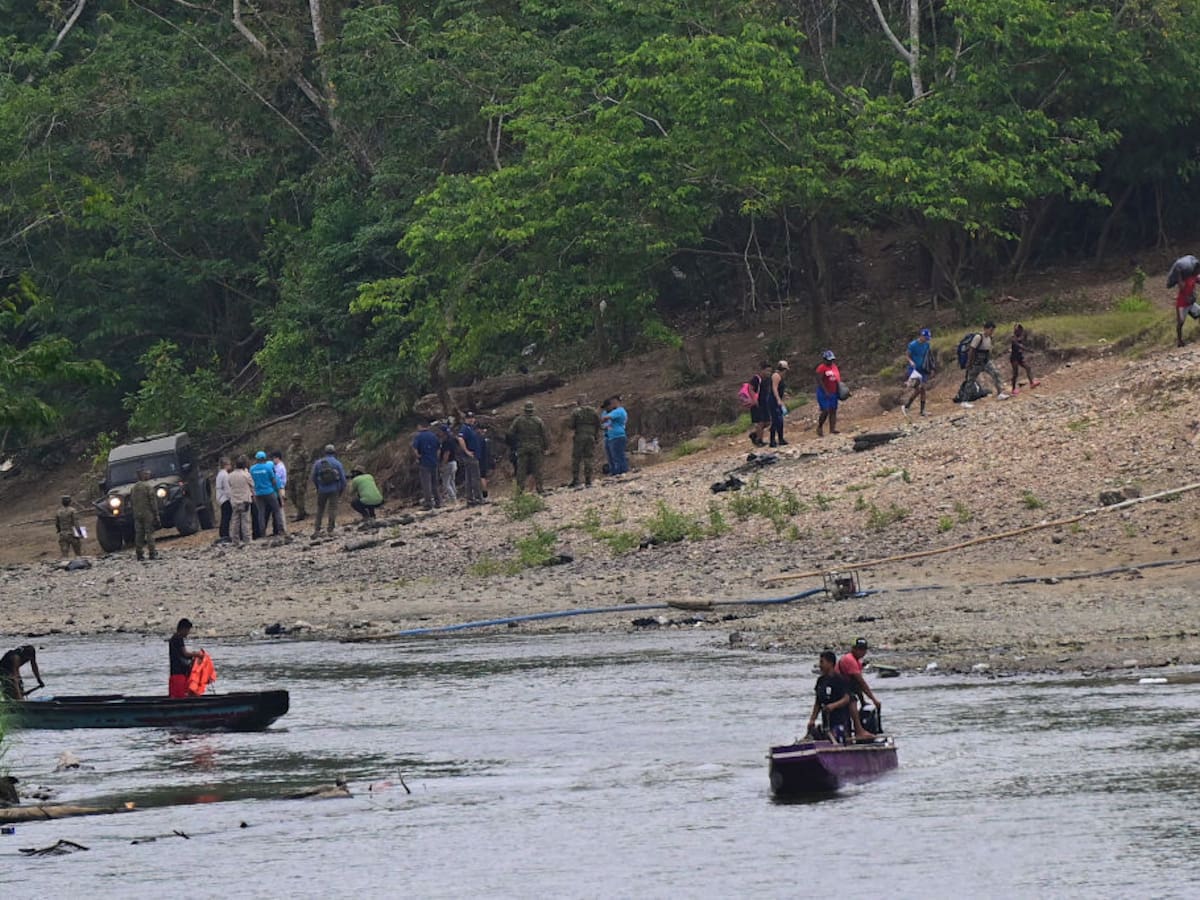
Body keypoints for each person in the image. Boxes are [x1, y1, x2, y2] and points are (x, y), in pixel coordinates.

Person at [836, 638, 881, 740]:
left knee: (853, 698)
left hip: (845, 688)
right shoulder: (849, 659)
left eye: (864, 649)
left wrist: (863, 701)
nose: (861, 652)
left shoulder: (857, 663)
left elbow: (857, 686)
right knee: (852, 699)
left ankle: (852, 732)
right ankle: (859, 730)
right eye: (859, 649)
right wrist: (874, 699)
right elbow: (862, 683)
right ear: (853, 649)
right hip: (836, 687)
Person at [806, 650, 852, 743]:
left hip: (840, 720)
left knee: (838, 737)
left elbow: (846, 699)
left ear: (830, 663)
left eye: (822, 662)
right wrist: (812, 719)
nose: (820, 665)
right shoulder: (820, 681)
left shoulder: (840, 679)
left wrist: (833, 706)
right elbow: (818, 702)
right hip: (826, 721)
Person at [508, 401, 549, 494]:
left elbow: (510, 433)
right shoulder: (538, 420)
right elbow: (544, 435)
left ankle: (519, 491)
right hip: (536, 447)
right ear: (532, 410)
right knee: (537, 469)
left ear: (524, 410)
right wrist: (546, 447)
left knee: (521, 470)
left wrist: (516, 442)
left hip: (522, 447)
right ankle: (540, 489)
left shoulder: (518, 420)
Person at [251, 451, 291, 542]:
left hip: (258, 493)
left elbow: (252, 480)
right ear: (264, 458)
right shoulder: (268, 468)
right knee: (276, 510)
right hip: (269, 491)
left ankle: (262, 532)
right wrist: (278, 492)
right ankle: (280, 529)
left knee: (261, 513)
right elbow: (274, 481)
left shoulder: (252, 469)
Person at [965, 322, 1008, 401]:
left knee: (996, 373)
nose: (992, 332)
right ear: (985, 329)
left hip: (986, 362)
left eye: (993, 330)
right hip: (976, 363)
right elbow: (971, 350)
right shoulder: (978, 337)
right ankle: (965, 400)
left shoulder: (989, 338)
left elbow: (987, 350)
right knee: (971, 380)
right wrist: (969, 363)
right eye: (991, 330)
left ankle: (1000, 393)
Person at [311, 444, 347, 534]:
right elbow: (343, 479)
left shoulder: (318, 463)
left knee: (320, 509)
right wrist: (341, 490)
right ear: (334, 452)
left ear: (325, 452)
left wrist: (318, 486)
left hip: (322, 489)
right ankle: (330, 528)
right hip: (334, 489)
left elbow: (313, 477)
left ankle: (317, 528)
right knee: (332, 508)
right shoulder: (337, 463)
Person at [901, 328, 935, 419]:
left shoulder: (927, 345)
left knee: (922, 390)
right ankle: (909, 407)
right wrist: (911, 361)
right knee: (920, 388)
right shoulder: (912, 345)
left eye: (928, 338)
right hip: (914, 370)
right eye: (926, 337)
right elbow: (907, 355)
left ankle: (915, 408)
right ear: (921, 336)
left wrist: (931, 368)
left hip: (923, 369)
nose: (927, 339)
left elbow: (928, 356)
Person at [568, 395, 602, 487]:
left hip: (580, 436)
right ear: (587, 401)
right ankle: (588, 480)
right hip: (591, 436)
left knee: (576, 458)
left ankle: (576, 480)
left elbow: (571, 425)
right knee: (588, 458)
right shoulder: (593, 411)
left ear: (578, 402)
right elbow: (598, 424)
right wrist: (596, 436)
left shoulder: (576, 412)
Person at [128, 467, 160, 561]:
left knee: (139, 534)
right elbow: (153, 502)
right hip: (147, 513)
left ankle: (139, 554)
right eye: (146, 474)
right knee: (149, 533)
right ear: (143, 476)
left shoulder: (133, 488)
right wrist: (156, 514)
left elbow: (132, 501)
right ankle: (152, 553)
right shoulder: (148, 487)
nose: (148, 475)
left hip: (137, 514)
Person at [168, 618, 203, 699]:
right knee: (181, 698)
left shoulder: (173, 638)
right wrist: (197, 654)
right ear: (183, 629)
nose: (188, 633)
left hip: (174, 674)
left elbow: (181, 655)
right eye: (188, 630)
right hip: (179, 675)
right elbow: (185, 653)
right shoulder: (178, 638)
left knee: (175, 697)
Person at [412, 422, 441, 510]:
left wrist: (418, 456)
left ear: (419, 426)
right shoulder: (433, 436)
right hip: (434, 462)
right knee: (435, 484)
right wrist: (436, 458)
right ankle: (438, 502)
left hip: (424, 462)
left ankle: (428, 503)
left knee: (426, 484)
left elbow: (415, 449)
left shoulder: (419, 436)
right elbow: (438, 449)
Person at [458, 413, 486, 505]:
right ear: (465, 419)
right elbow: (460, 438)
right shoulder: (465, 428)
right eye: (469, 418)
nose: (471, 420)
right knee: (475, 478)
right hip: (470, 456)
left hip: (474, 455)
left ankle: (470, 499)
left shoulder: (472, 428)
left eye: (472, 418)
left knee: (469, 478)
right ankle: (478, 498)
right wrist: (466, 451)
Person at [228, 455, 255, 547]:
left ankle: (235, 540)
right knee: (245, 521)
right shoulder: (246, 475)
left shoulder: (230, 475)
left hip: (234, 500)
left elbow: (230, 485)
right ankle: (247, 539)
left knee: (235, 521)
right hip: (245, 500)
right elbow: (252, 484)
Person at [815, 351, 841, 437]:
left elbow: (837, 379)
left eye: (832, 360)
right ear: (824, 360)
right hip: (823, 392)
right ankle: (820, 426)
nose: (830, 362)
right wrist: (825, 391)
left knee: (833, 410)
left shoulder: (834, 367)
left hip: (833, 391)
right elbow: (819, 380)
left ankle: (832, 429)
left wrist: (840, 389)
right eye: (828, 360)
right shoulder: (821, 368)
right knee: (825, 410)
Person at [1009, 324, 1040, 395]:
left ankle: (1032, 383)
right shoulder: (1013, 338)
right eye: (1019, 331)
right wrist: (1028, 350)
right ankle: (1013, 389)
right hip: (1014, 358)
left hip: (1019, 357)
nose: (1021, 333)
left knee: (1028, 368)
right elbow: (1019, 346)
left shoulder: (1019, 337)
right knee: (1015, 373)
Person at [285, 433, 310, 521]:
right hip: (291, 474)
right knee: (291, 494)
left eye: (296, 440)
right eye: (293, 440)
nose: (295, 442)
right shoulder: (290, 449)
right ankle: (301, 510)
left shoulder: (303, 450)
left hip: (300, 474)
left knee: (300, 494)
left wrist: (305, 477)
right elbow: (289, 462)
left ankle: (300, 514)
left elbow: (308, 463)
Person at [601, 396, 628, 476]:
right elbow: (605, 424)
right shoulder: (608, 412)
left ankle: (622, 470)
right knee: (611, 456)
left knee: (618, 455)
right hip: (609, 436)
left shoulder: (619, 411)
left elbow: (606, 418)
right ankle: (614, 471)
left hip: (617, 436)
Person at [748, 361, 773, 447]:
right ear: (762, 370)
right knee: (760, 422)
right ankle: (759, 440)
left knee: (768, 422)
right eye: (767, 371)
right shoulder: (756, 379)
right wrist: (754, 399)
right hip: (757, 403)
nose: (768, 373)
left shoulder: (767, 380)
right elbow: (750, 388)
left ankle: (755, 435)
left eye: (770, 371)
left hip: (764, 403)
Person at [437, 423, 459, 504]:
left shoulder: (446, 441)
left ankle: (453, 499)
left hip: (448, 463)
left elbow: (446, 453)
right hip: (454, 462)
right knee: (452, 481)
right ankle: (454, 498)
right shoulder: (453, 439)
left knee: (446, 483)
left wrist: (443, 464)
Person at [769, 360, 789, 446]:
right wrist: (778, 399)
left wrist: (784, 395)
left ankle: (780, 438)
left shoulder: (779, 376)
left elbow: (779, 389)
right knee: (776, 420)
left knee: (779, 420)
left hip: (777, 399)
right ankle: (772, 440)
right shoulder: (776, 376)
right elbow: (774, 388)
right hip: (773, 400)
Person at [214, 457, 232, 544]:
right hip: (225, 498)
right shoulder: (225, 475)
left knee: (224, 516)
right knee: (226, 516)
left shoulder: (219, 474)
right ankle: (225, 534)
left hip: (220, 497)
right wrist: (231, 497)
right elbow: (227, 488)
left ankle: (223, 533)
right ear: (226, 465)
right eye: (229, 464)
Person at [271, 450, 288, 530]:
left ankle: (283, 528)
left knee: (280, 509)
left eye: (274, 458)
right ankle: (278, 528)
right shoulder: (276, 466)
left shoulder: (280, 467)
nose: (273, 460)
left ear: (278, 458)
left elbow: (276, 478)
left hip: (280, 488)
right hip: (278, 488)